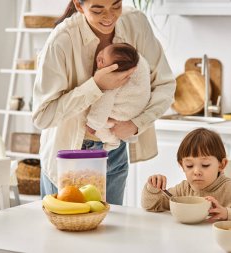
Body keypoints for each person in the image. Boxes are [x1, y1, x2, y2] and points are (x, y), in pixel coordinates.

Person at [32, 0, 176, 205]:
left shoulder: (135, 23)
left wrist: (136, 125)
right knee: (68, 231)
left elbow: (165, 84)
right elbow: (42, 116)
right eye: (98, 10)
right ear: (79, 6)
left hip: (114, 151)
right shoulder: (62, 41)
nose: (109, 17)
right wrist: (96, 86)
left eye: (116, 5)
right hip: (70, 152)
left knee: (109, 232)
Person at [141, 128, 231, 221]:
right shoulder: (182, 190)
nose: (197, 172)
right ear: (182, 165)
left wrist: (228, 213)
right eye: (189, 166)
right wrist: (153, 189)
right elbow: (150, 205)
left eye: (205, 165)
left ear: (222, 165)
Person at [87, 42, 150, 151]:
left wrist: (93, 124)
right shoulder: (136, 63)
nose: (99, 57)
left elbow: (102, 106)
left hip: (121, 115)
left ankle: (112, 143)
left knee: (102, 129)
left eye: (103, 61)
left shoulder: (112, 81)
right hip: (135, 112)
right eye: (102, 51)